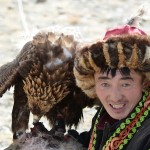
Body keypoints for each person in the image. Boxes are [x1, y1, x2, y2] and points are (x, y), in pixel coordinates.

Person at [69, 12, 150, 150]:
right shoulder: (105, 115)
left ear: (145, 82)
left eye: (125, 84)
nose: (115, 97)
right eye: (105, 84)